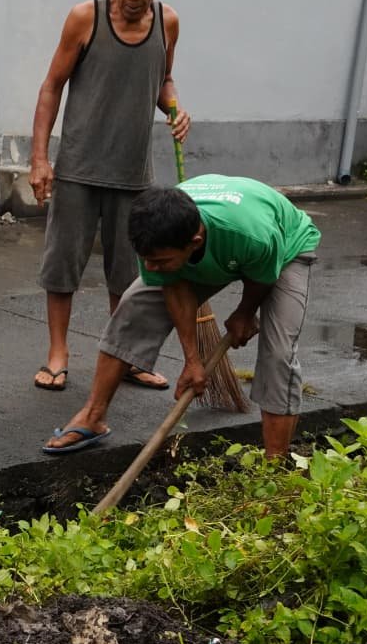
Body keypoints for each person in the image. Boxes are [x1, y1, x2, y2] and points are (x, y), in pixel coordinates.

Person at [42, 176, 321, 460]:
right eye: (147, 259)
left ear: (194, 242)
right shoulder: (153, 233)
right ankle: (93, 416)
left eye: (159, 261)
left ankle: (275, 463)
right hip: (225, 245)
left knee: (278, 352)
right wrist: (192, 360)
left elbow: (263, 276)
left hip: (285, 248)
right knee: (133, 307)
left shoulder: (252, 235)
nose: (150, 267)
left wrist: (245, 312)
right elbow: (173, 286)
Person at [29, 0, 190, 393]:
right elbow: (51, 86)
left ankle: (126, 358)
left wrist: (175, 108)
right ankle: (58, 354)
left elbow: (164, 79)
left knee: (131, 274)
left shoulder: (168, 23)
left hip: (132, 173)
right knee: (62, 267)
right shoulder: (86, 18)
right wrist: (40, 159)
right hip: (79, 168)